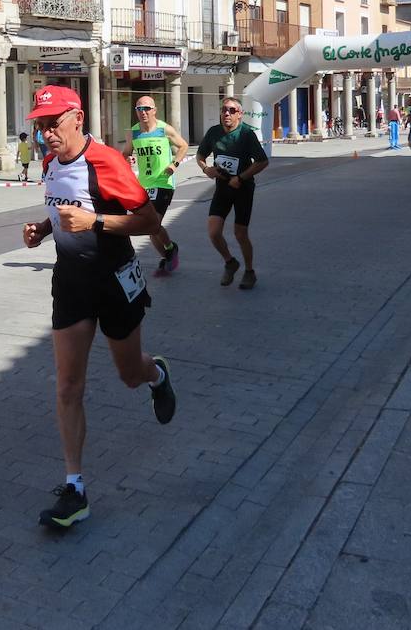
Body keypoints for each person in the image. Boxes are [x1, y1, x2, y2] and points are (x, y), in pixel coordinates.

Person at [22, 86, 175, 530]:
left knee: (129, 375)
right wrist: (42, 230)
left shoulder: (105, 160)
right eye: (40, 124)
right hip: (71, 281)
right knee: (68, 385)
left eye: (53, 123)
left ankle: (156, 374)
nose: (46, 132)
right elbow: (62, 213)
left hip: (114, 278)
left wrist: (97, 222)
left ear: (77, 117)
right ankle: (75, 488)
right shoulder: (51, 164)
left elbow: (149, 220)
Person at [197, 98, 270, 290]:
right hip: (222, 188)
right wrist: (206, 169)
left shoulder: (246, 134)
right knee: (213, 233)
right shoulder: (214, 132)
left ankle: (249, 271)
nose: (226, 114)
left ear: (240, 114)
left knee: (240, 233)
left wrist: (242, 178)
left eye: (231, 110)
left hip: (243, 189)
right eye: (223, 110)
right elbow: (200, 155)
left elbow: (262, 161)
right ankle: (230, 262)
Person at [120, 95, 187, 277]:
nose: (143, 113)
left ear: (154, 110)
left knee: (153, 223)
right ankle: (168, 254)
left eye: (146, 109)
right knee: (150, 227)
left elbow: (183, 146)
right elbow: (125, 153)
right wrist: (126, 160)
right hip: (144, 184)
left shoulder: (164, 129)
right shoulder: (133, 132)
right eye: (139, 109)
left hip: (163, 182)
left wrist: (174, 164)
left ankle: (170, 250)